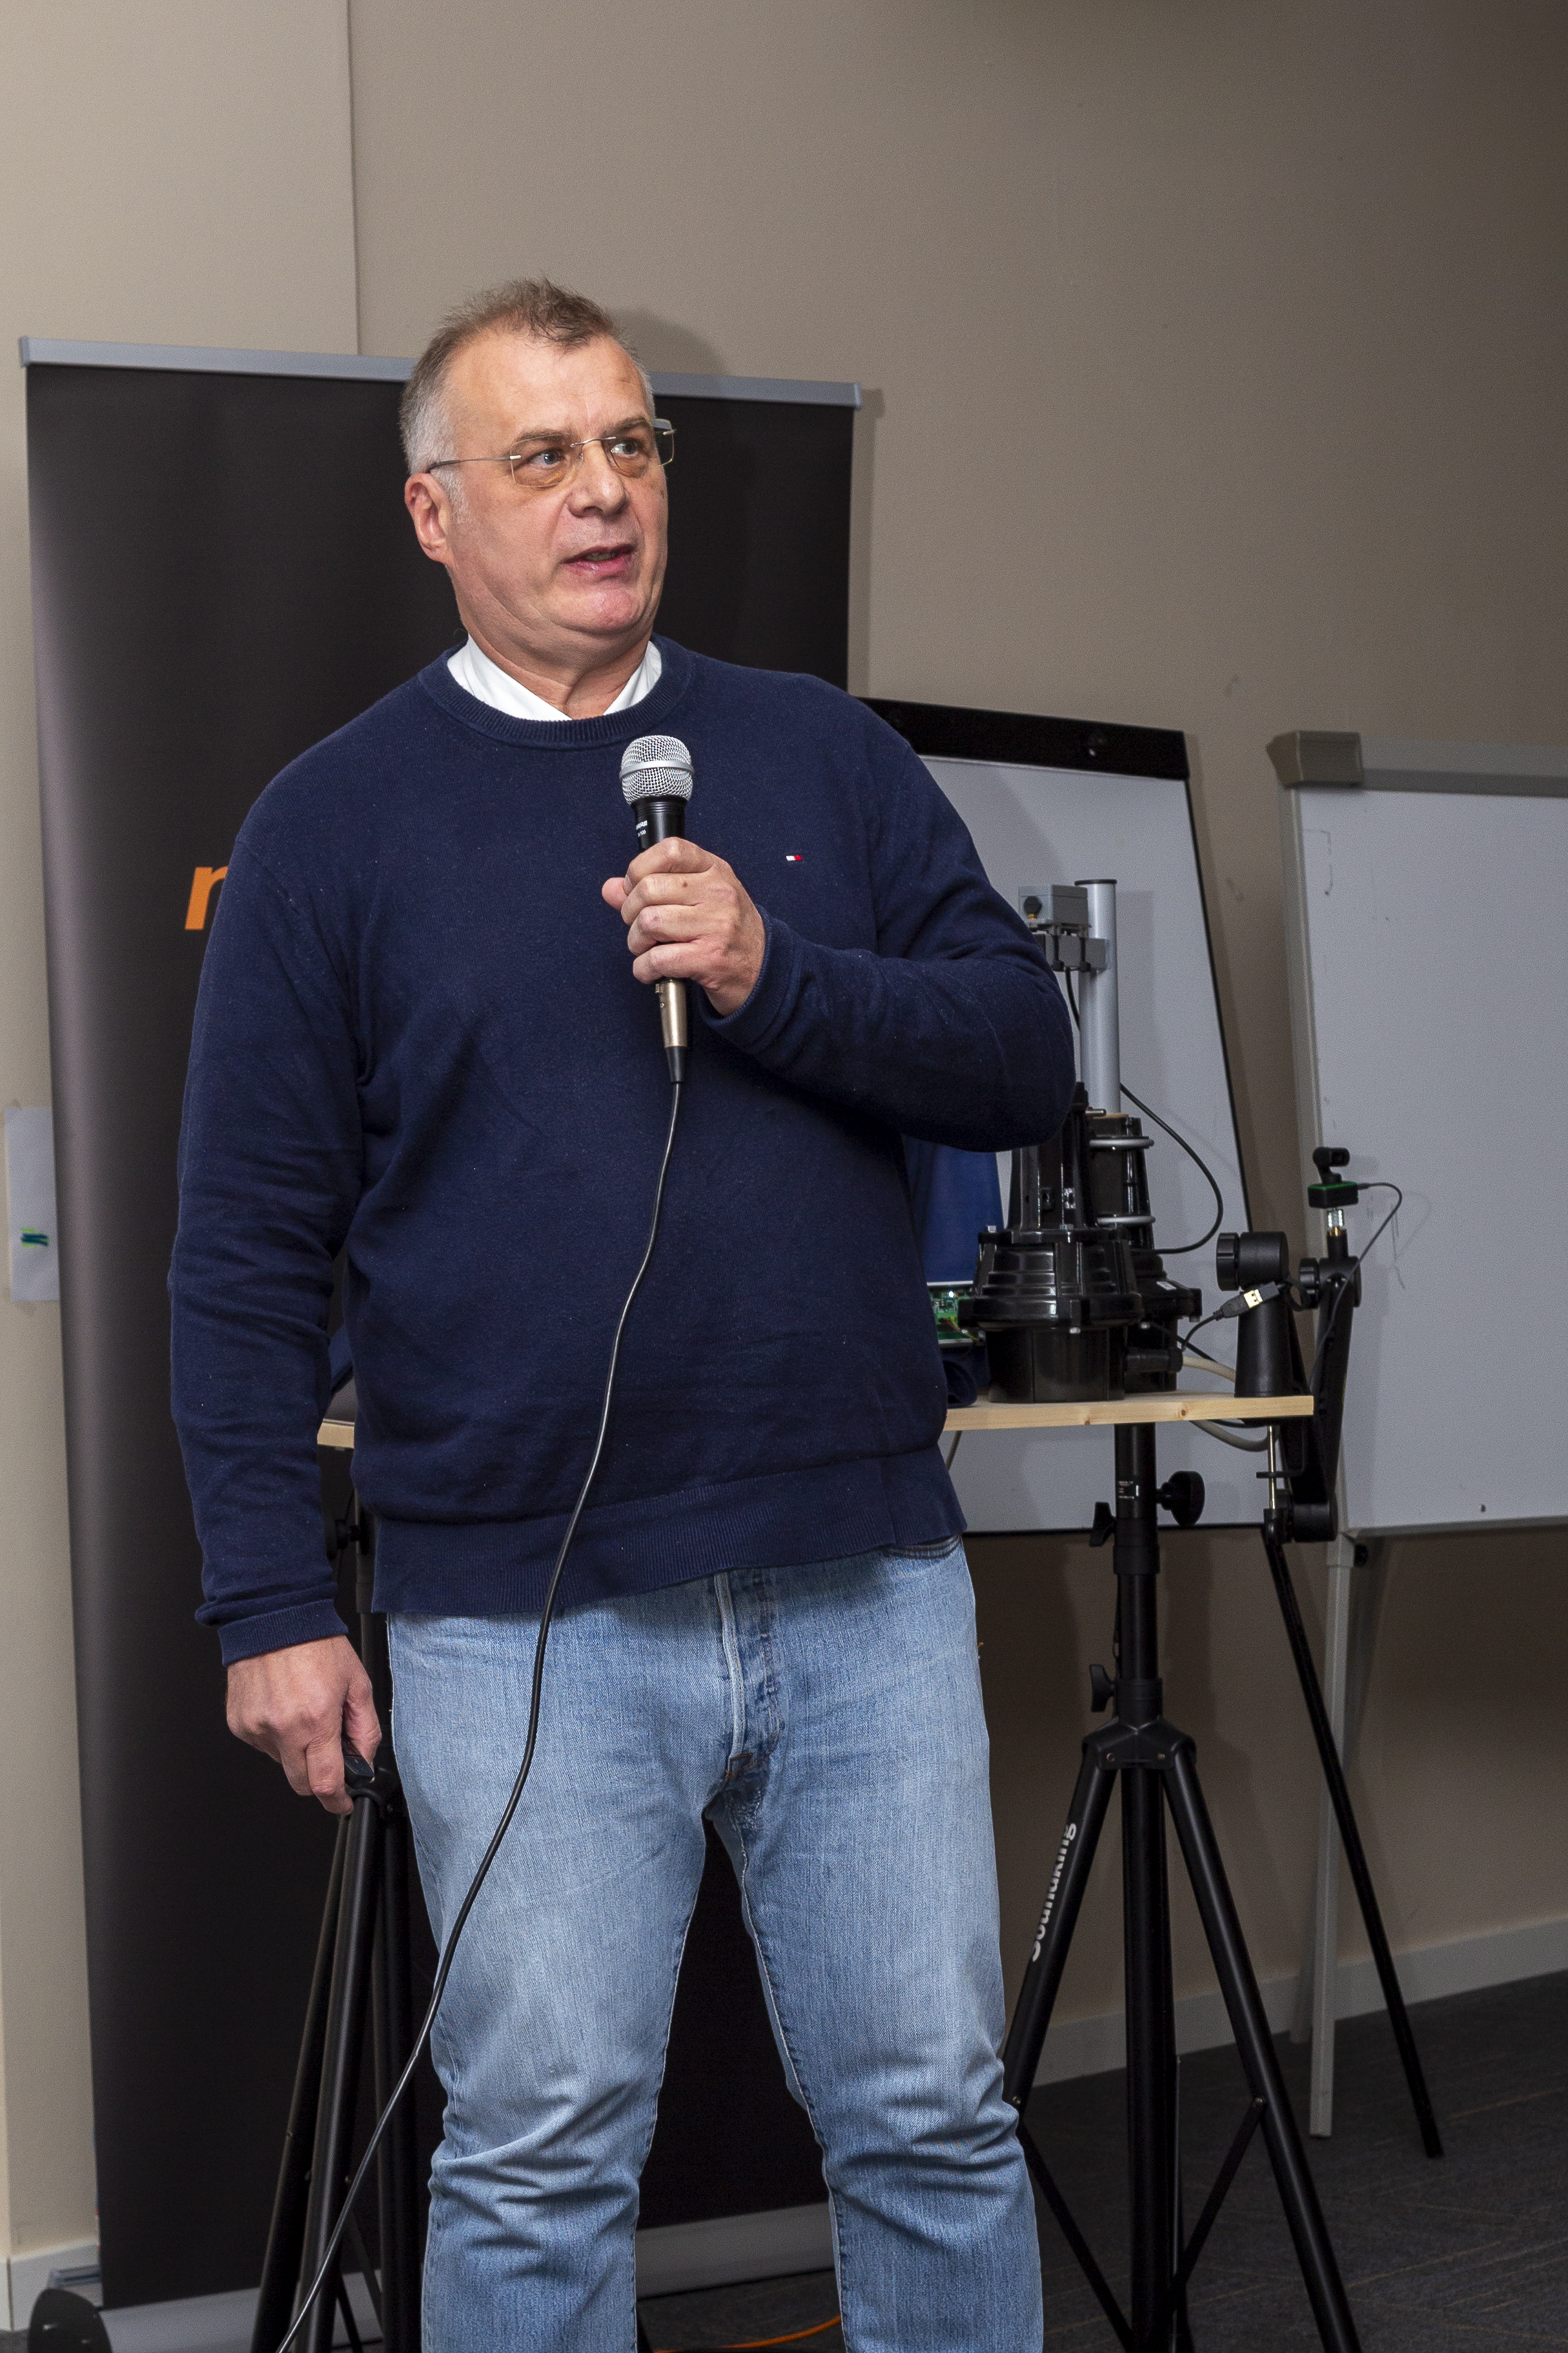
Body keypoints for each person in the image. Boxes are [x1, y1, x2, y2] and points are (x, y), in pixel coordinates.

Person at [170, 278, 1075, 2352]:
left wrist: (774, 975)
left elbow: (1019, 1057)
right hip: (526, 1616)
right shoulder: (328, 827)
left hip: (858, 1579)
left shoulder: (819, 751)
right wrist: (266, 1601)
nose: (604, 492)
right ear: (435, 513)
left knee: (934, 2123)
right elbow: (242, 1252)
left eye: (632, 444)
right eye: (543, 455)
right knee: (536, 2155)